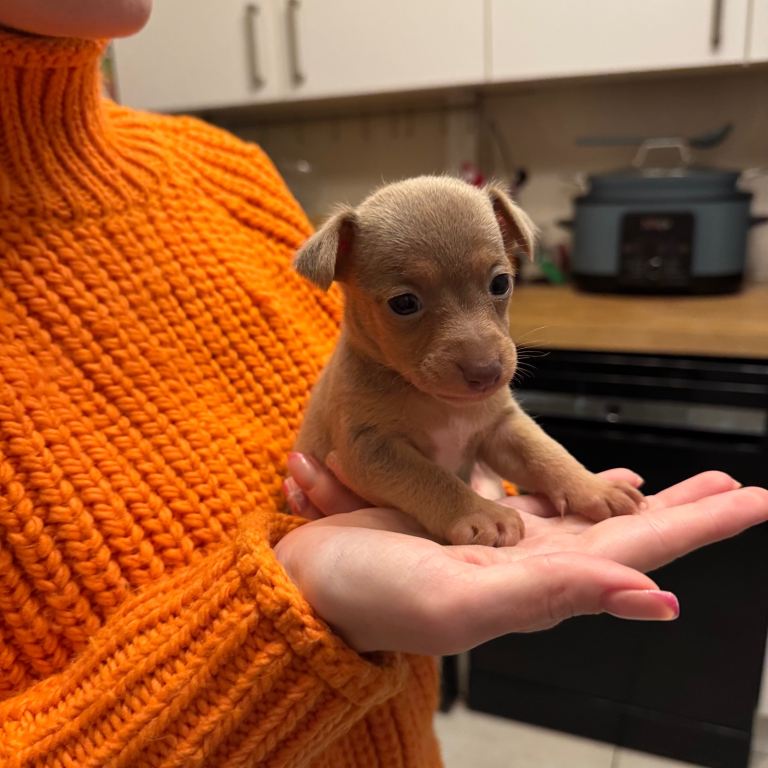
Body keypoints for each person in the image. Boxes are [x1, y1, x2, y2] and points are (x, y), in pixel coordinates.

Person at [0, 2, 766, 766]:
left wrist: (574, 485)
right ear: (342, 272)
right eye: (407, 305)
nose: (479, 350)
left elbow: (502, 428)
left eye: (496, 286)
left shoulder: (227, 172)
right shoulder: (358, 341)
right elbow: (367, 455)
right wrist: (417, 531)